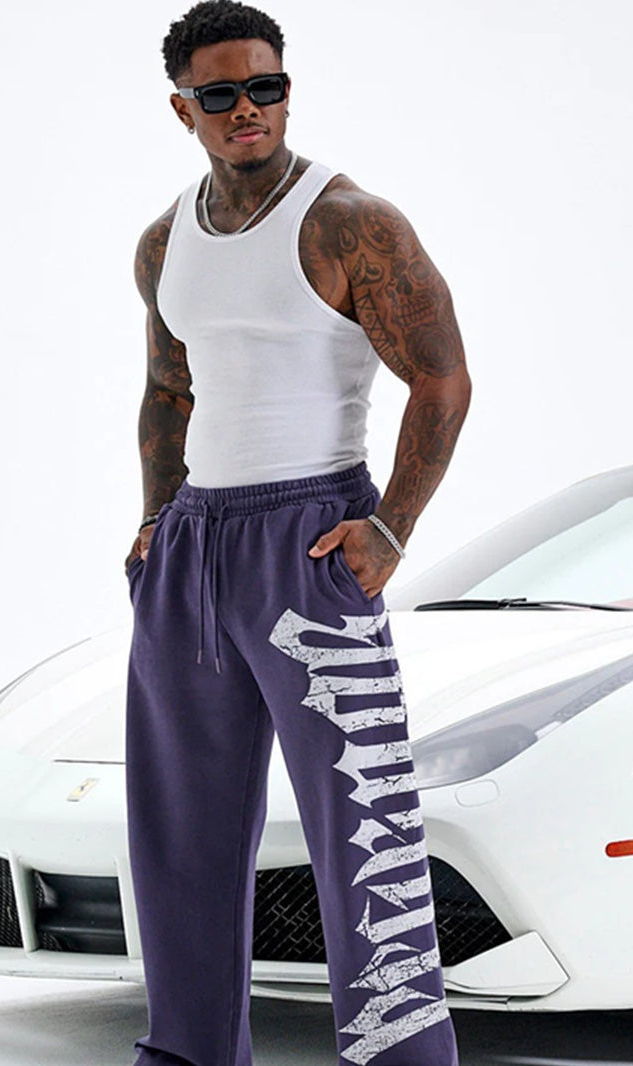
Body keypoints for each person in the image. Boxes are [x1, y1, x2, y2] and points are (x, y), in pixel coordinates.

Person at [123, 2, 471, 1064]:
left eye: (265, 86)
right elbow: (168, 389)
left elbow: (441, 380)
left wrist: (388, 530)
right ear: (183, 108)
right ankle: (186, 1052)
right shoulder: (164, 240)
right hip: (193, 546)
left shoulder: (347, 222)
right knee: (180, 826)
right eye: (222, 93)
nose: (248, 109)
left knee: (363, 829)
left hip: (312, 536)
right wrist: (154, 520)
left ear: (286, 89)